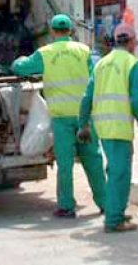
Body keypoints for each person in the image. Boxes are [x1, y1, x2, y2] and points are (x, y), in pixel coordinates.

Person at [12, 14, 106, 219]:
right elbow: (95, 77)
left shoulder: (45, 53)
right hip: (85, 117)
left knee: (65, 164)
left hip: (62, 119)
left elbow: (21, 68)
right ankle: (105, 203)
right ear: (71, 30)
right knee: (94, 160)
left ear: (52, 31)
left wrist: (18, 59)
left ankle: (66, 206)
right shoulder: (84, 51)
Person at [78, 23, 138, 233]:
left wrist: (83, 124)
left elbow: (87, 97)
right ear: (131, 42)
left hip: (102, 127)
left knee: (114, 170)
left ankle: (116, 210)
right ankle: (113, 220)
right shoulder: (132, 64)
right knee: (120, 173)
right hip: (120, 126)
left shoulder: (101, 64)